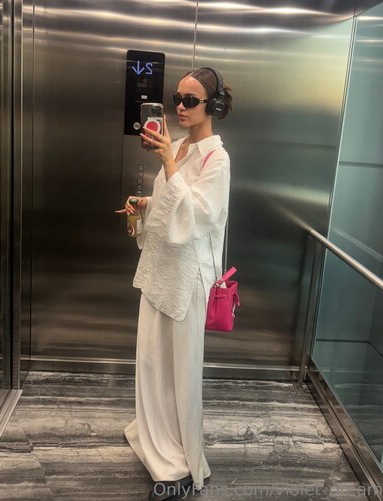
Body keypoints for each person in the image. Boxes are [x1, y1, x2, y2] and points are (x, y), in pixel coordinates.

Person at [115, 66, 233, 501]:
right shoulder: (180, 146)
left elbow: (201, 215)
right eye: (177, 99)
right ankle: (154, 436)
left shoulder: (217, 159)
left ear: (212, 106)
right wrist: (145, 204)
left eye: (191, 101)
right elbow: (172, 201)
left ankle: (179, 460)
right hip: (161, 267)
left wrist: (167, 161)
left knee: (180, 370)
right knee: (151, 361)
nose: (180, 107)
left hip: (188, 277)